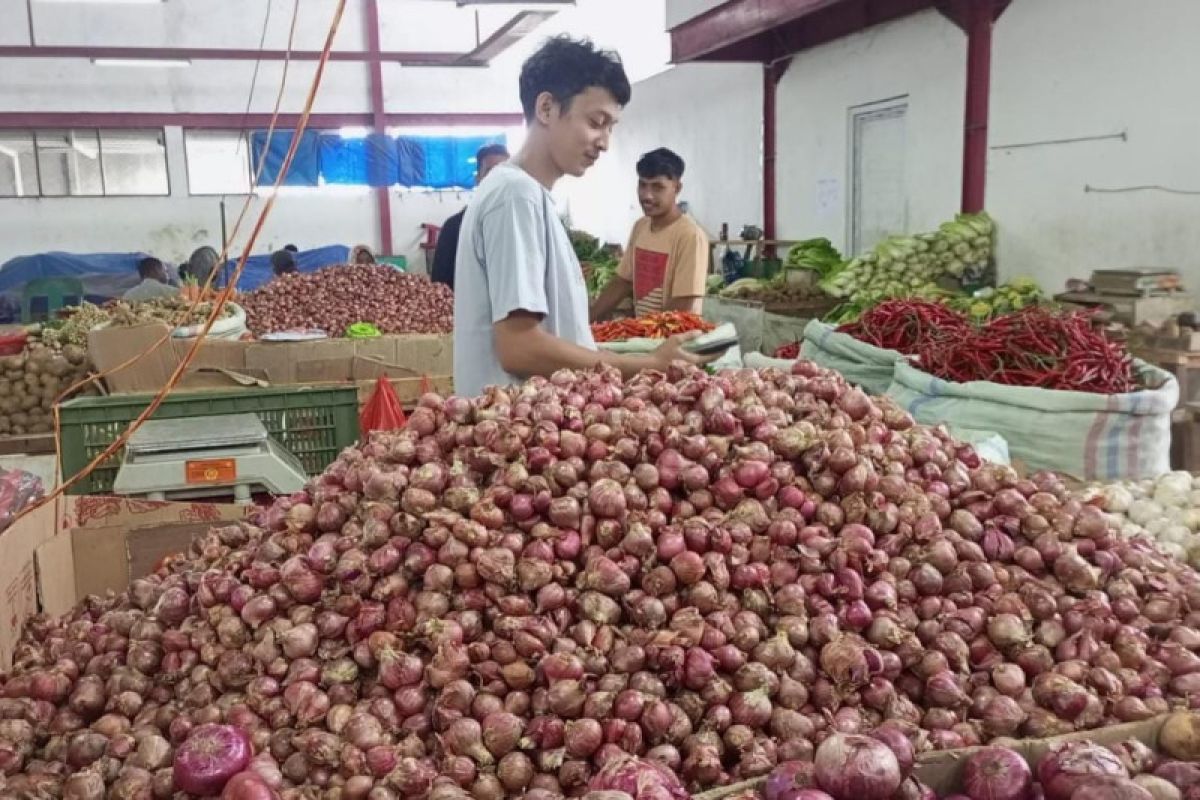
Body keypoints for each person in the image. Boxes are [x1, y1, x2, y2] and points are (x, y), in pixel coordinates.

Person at [452, 36, 720, 398]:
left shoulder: (527, 196)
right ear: (546, 108)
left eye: (611, 127)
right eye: (597, 122)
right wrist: (647, 365)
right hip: (517, 431)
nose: (605, 142)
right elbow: (519, 347)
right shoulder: (516, 197)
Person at [590, 148, 709, 320]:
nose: (647, 196)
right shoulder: (641, 226)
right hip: (647, 338)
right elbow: (622, 281)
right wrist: (588, 320)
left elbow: (684, 304)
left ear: (677, 188)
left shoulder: (690, 236)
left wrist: (643, 334)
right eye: (642, 185)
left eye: (658, 187)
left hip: (675, 338)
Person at [431, 144, 511, 290]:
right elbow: (440, 287)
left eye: (504, 172)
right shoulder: (453, 227)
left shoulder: (518, 226)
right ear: (478, 179)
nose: (498, 178)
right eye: (490, 171)